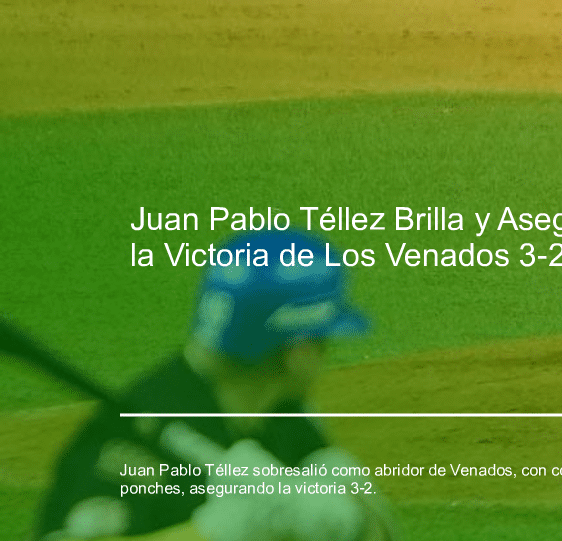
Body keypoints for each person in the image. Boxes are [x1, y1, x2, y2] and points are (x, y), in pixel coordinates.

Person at [32, 231, 397, 540]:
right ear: (298, 351)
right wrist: (211, 532)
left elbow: (378, 529)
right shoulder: (127, 447)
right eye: (323, 339)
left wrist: (354, 517)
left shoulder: (280, 412)